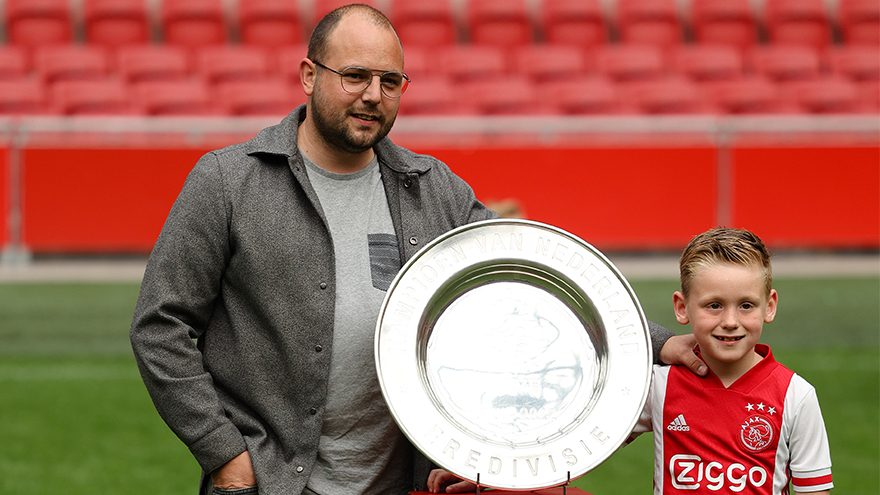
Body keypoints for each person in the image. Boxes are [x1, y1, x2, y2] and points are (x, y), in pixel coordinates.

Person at [130, 4, 704, 494]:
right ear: (308, 75)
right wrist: (224, 453)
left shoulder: (433, 188)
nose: (372, 96)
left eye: (390, 81)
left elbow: (531, 275)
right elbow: (161, 326)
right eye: (354, 76)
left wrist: (656, 342)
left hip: (405, 482)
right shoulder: (229, 182)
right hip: (272, 480)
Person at [626, 227, 833, 494]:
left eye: (746, 305)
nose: (731, 322)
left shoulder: (796, 395)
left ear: (769, 306)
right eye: (714, 305)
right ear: (682, 307)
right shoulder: (657, 386)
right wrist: (661, 342)